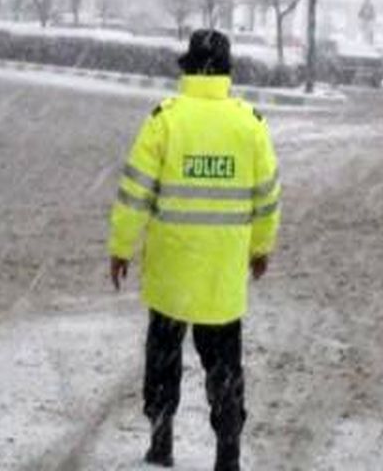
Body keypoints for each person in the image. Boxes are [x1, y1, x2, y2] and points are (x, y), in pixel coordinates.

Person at [108, 29, 281, 471]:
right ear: (227, 70)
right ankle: (228, 453)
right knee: (224, 370)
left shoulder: (165, 119)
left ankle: (161, 441)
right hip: (222, 279)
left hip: (171, 271)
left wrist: (121, 248)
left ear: (188, 68)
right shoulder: (250, 123)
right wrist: (261, 247)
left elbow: (135, 193)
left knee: (163, 362)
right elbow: (267, 196)